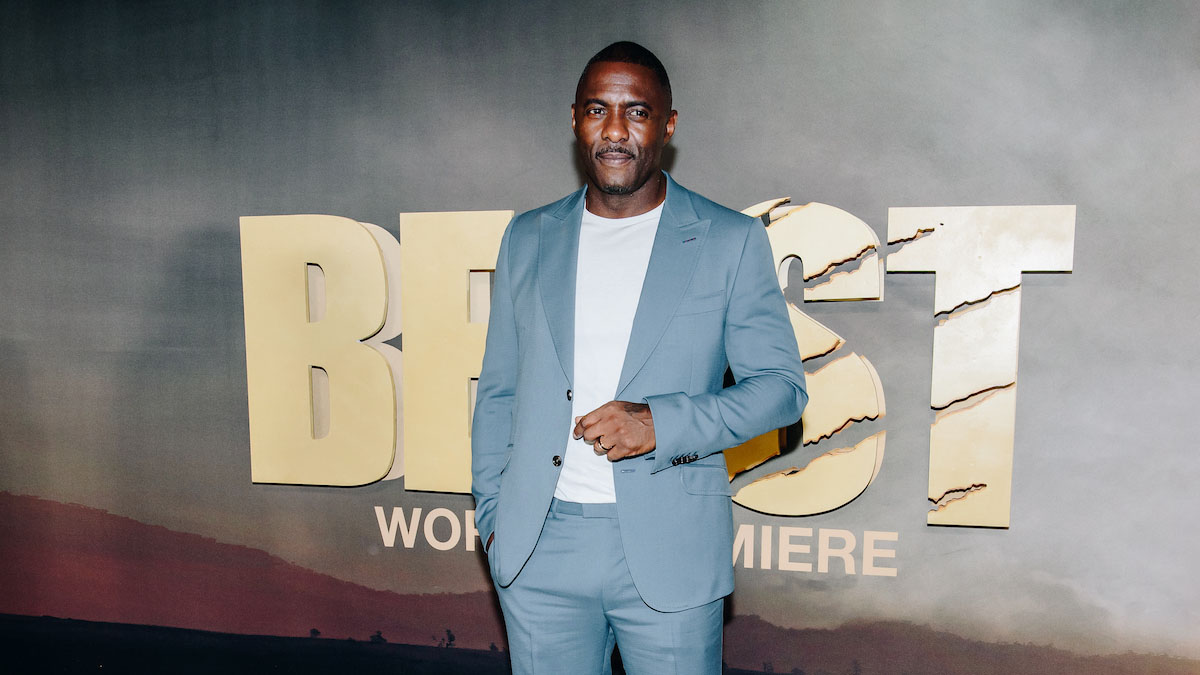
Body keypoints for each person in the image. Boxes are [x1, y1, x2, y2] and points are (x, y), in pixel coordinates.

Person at [471, 41, 807, 675]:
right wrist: (495, 520)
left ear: (668, 124)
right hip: (539, 550)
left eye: (638, 112)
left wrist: (661, 422)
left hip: (669, 549)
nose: (616, 131)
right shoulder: (528, 236)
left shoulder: (729, 240)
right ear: (576, 120)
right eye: (599, 110)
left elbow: (782, 389)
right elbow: (499, 393)